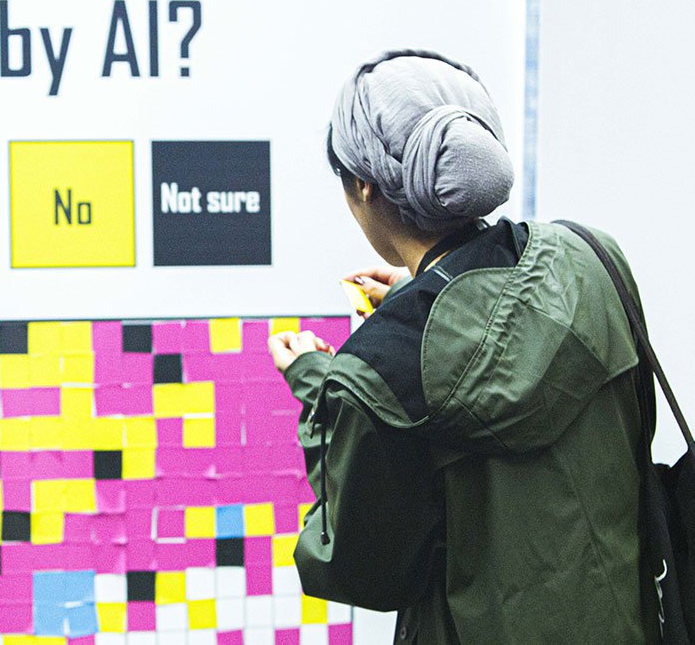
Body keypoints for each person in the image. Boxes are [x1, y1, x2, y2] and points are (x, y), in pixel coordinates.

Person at [267, 50, 656, 644]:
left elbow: (359, 568)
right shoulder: (590, 259)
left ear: (364, 185)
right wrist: (425, 294)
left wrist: (317, 383)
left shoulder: (376, 369)